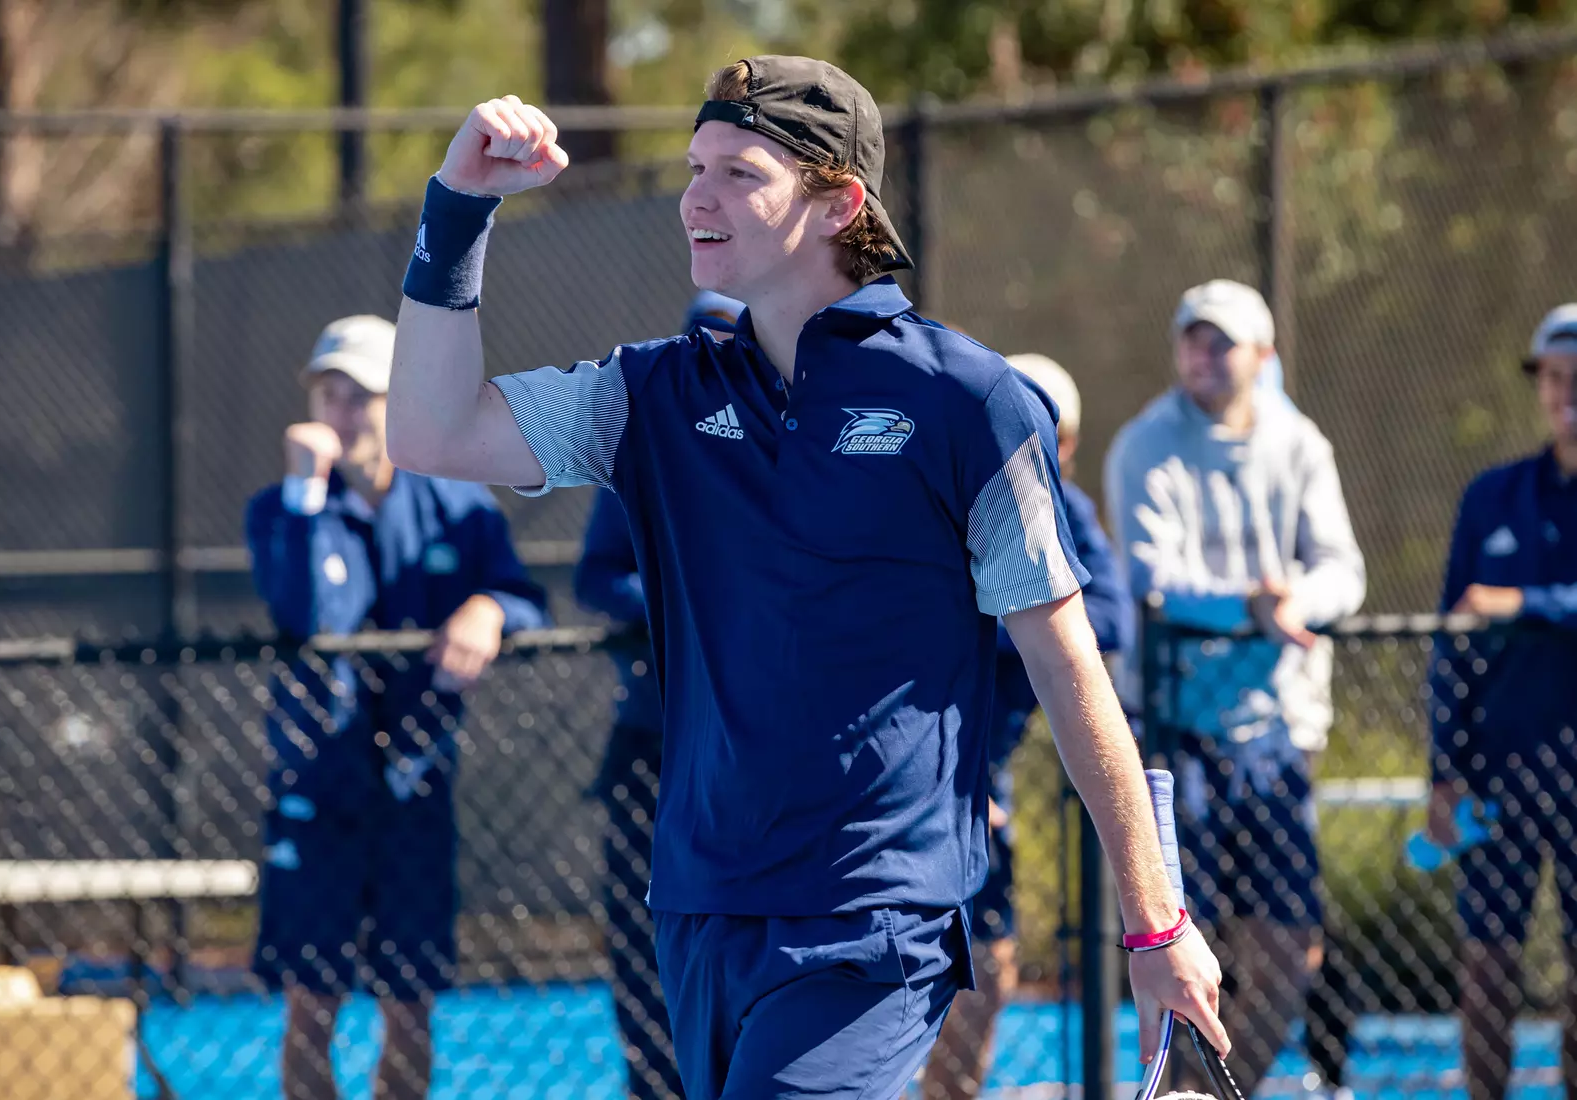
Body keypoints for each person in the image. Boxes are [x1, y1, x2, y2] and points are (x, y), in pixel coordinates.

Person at [385, 56, 1226, 1100]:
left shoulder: (970, 400)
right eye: (695, 166)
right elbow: (427, 429)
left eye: (741, 171)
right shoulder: (654, 393)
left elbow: (1070, 669)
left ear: (840, 202)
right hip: (700, 903)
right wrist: (460, 209)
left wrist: (1157, 924)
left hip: (877, 912)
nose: (698, 195)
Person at [244, 314, 550, 1100]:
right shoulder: (282, 510)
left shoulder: (458, 504)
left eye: (362, 396)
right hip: (316, 799)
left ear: (398, 402)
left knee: (410, 1007)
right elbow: (305, 614)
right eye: (328, 394)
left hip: (415, 791)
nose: (341, 414)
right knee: (311, 1007)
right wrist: (307, 495)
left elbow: (522, 594)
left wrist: (489, 609)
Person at [1105, 279, 1366, 1091]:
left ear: (1264, 355)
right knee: (1186, 937)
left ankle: (1220, 1092)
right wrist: (1251, 607)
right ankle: (1180, 1088)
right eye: (1192, 337)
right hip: (1174, 738)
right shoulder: (1144, 443)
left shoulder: (1302, 445)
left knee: (1290, 946)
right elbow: (1151, 581)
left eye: (1222, 341)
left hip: (1275, 737)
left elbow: (1341, 574)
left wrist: (1293, 602)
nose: (1204, 354)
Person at [919, 353, 1132, 1100]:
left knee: (988, 955)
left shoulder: (1063, 511)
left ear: (1064, 444)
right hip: (922, 773)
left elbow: (1109, 618)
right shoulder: (934, 491)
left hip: (982, 783)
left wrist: (1017, 621)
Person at [576, 289, 744, 1100]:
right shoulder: (643, 448)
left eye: (731, 335)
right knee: (646, 941)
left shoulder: (797, 451)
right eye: (700, 337)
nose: (714, 352)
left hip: (758, 753)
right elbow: (596, 576)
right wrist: (688, 599)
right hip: (654, 745)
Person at [1426, 303, 1577, 1100]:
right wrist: (1443, 769)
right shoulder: (1491, 497)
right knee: (1486, 960)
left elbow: (1500, 608)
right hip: (1497, 776)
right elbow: (1450, 640)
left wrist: (1525, 604)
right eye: (1554, 378)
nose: (1565, 393)